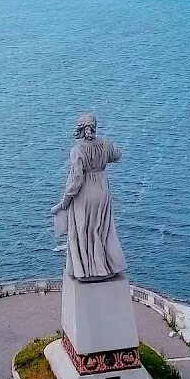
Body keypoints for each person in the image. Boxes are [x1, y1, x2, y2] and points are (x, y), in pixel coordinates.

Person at [50, 113, 127, 281]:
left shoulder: (77, 150)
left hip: (84, 192)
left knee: (83, 230)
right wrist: (103, 155)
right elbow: (118, 155)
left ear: (80, 129)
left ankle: (86, 270)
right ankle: (105, 266)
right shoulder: (105, 144)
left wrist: (65, 201)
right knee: (102, 229)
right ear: (94, 127)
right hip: (102, 189)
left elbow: (76, 179)